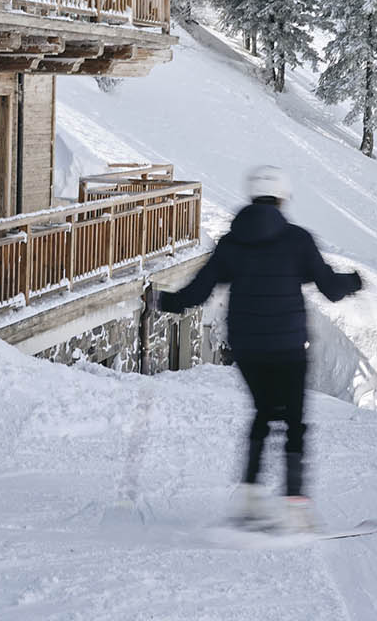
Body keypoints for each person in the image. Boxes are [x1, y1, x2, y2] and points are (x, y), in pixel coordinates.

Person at [154, 165, 363, 533]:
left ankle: (250, 500)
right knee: (293, 421)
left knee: (264, 413)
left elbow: (199, 291)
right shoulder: (298, 240)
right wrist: (354, 282)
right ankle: (296, 509)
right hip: (287, 346)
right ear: (281, 198)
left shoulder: (231, 244)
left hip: (248, 349)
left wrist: (168, 301)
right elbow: (330, 287)